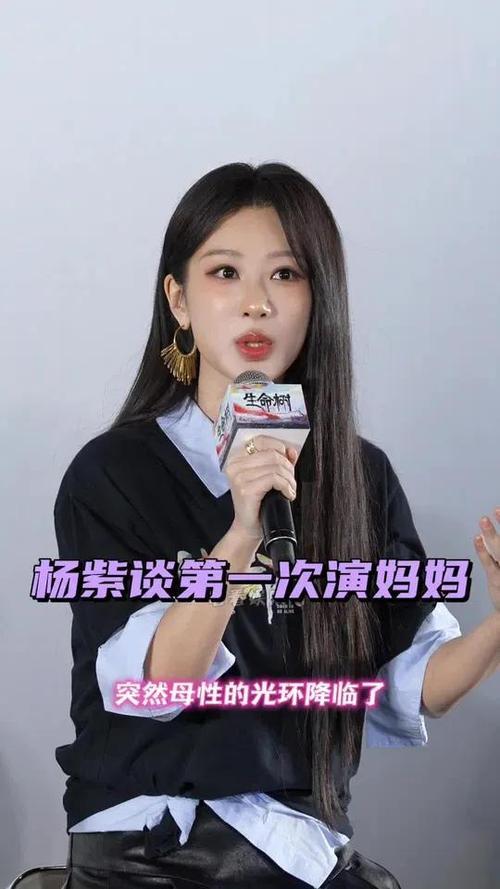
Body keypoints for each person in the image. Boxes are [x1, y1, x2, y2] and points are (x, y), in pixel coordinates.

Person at [54, 162, 500, 889]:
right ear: (179, 300)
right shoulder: (113, 473)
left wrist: (498, 626)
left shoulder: (359, 475)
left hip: (299, 848)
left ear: (318, 300)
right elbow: (157, 683)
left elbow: (418, 683)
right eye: (225, 273)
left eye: (286, 275)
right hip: (150, 852)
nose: (256, 304)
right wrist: (241, 535)